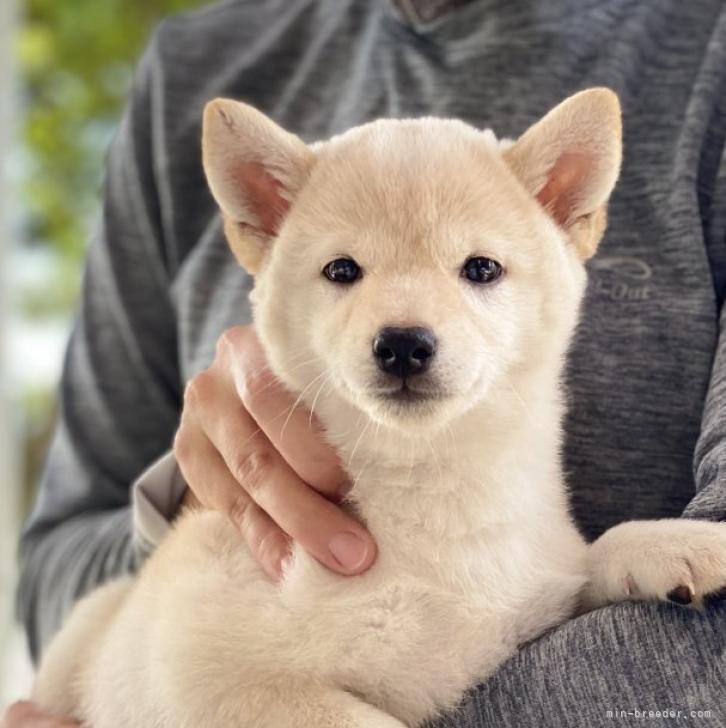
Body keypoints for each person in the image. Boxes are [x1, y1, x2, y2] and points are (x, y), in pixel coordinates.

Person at [5, 0, 726, 726]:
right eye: (344, 270)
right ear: (262, 224)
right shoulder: (191, 67)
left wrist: (614, 566)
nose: (405, 331)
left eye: (479, 269)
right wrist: (197, 491)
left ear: (566, 205)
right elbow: (65, 567)